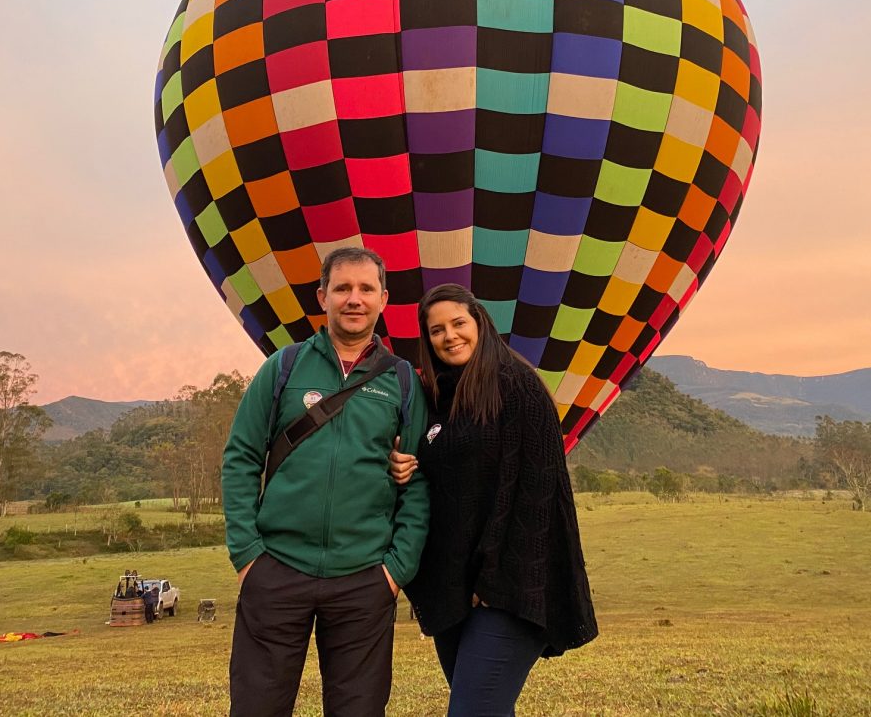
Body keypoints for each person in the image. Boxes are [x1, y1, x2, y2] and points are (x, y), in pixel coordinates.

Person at [222, 246, 430, 717]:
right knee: (257, 707)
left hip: (364, 577)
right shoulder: (285, 367)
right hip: (276, 569)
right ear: (322, 296)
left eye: (365, 289)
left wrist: (395, 569)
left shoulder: (401, 381)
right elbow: (240, 458)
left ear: (383, 299)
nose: (353, 299)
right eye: (342, 288)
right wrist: (248, 555)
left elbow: (419, 477)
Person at [390, 283, 597, 716]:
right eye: (436, 330)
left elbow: (537, 493)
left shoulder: (517, 386)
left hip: (509, 588)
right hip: (453, 589)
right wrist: (404, 465)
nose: (449, 336)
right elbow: (441, 479)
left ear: (480, 322)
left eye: (458, 323)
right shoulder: (436, 400)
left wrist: (495, 580)